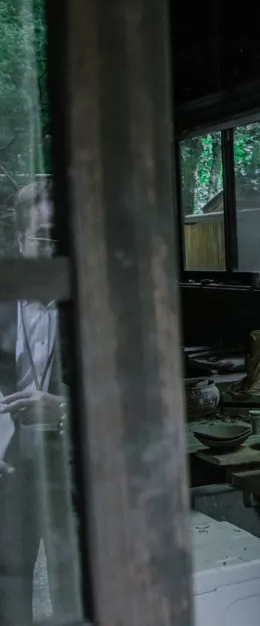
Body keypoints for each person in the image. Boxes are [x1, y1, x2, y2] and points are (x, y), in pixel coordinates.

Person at [0, 179, 80, 623]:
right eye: (45, 238)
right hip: (10, 470)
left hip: (73, 469)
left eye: (62, 240)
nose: (54, 251)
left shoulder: (95, 309)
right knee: (9, 587)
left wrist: (64, 409)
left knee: (78, 585)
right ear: (19, 241)